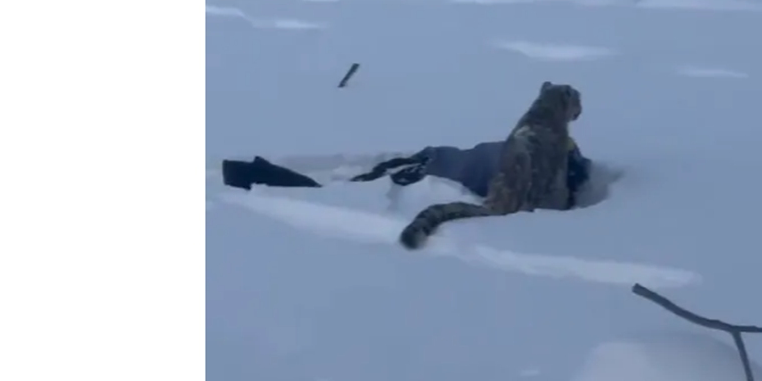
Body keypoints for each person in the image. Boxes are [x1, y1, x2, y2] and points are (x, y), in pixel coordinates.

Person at [221, 139, 594, 208]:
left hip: (429, 159)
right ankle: (254, 176)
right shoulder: (525, 168)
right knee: (333, 193)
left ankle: (253, 174)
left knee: (343, 188)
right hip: (423, 171)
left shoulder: (531, 143)